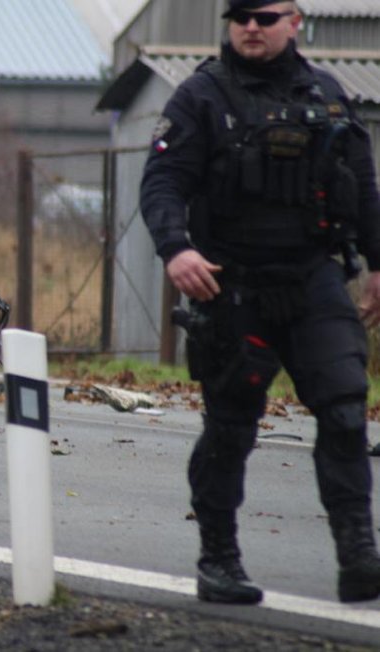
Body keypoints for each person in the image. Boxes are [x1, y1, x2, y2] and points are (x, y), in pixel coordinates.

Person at [141, 0, 380, 604]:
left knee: (347, 410)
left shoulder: (326, 95)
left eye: (265, 16)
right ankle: (219, 558)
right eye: (240, 14)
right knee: (230, 428)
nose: (251, 25)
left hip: (312, 279)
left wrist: (379, 263)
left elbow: (364, 183)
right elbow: (163, 182)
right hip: (232, 285)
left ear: (295, 21)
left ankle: (358, 556)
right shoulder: (202, 96)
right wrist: (176, 249)